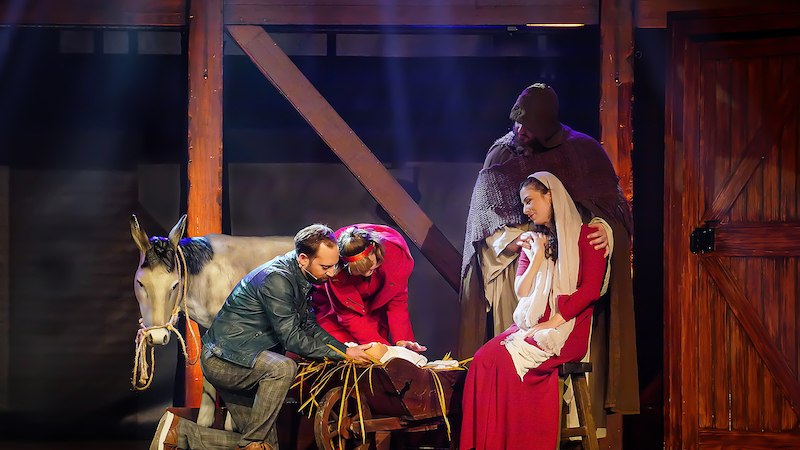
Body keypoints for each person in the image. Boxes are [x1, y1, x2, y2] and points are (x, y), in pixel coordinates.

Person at [458, 83, 639, 418]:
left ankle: (551, 423)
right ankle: (512, 423)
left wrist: (606, 233)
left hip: (569, 270)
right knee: (509, 356)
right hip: (516, 266)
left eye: (529, 126)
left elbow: (611, 214)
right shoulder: (501, 153)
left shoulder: (583, 151)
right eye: (517, 123)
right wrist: (511, 243)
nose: (520, 132)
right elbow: (483, 225)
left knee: (551, 355)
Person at [151, 224, 374, 450]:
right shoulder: (277, 279)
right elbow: (292, 337)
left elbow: (310, 327)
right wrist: (344, 353)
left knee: (268, 447)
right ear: (304, 259)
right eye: (326, 266)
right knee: (283, 368)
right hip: (225, 360)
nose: (332, 272)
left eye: (334, 265)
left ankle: (181, 434)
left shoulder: (301, 277)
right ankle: (252, 441)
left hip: (243, 360)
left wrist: (345, 350)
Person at [460, 172, 609, 450]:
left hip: (568, 328)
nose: (527, 209)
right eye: (523, 204)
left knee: (506, 364)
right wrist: (537, 254)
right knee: (482, 360)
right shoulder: (534, 240)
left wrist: (556, 319)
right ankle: (488, 443)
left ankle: (522, 442)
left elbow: (590, 290)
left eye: (530, 201)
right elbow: (523, 291)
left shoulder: (588, 236)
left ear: (550, 195)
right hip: (531, 325)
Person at [311, 224, 426, 352]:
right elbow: (348, 316)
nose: (366, 274)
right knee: (354, 352)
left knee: (386, 354)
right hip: (335, 313)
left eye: (370, 267)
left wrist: (401, 340)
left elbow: (397, 301)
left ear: (376, 251)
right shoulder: (336, 273)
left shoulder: (394, 255)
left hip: (375, 306)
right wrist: (385, 350)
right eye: (359, 271)